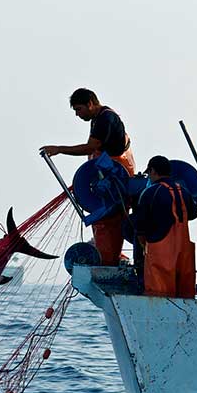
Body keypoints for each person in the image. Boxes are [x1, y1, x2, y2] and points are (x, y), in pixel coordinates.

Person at [41, 88, 136, 265]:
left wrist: (59, 149)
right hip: (108, 173)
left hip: (116, 174)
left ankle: (110, 259)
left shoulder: (105, 119)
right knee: (104, 217)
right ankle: (109, 255)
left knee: (109, 217)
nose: (77, 115)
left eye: (79, 109)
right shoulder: (98, 119)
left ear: (90, 104)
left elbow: (90, 148)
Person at [135, 155, 197, 298]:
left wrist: (143, 245)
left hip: (160, 254)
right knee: (184, 294)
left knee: (158, 295)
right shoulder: (183, 191)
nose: (149, 177)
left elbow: (140, 226)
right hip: (183, 251)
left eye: (149, 173)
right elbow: (194, 214)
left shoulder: (150, 192)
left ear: (153, 171)